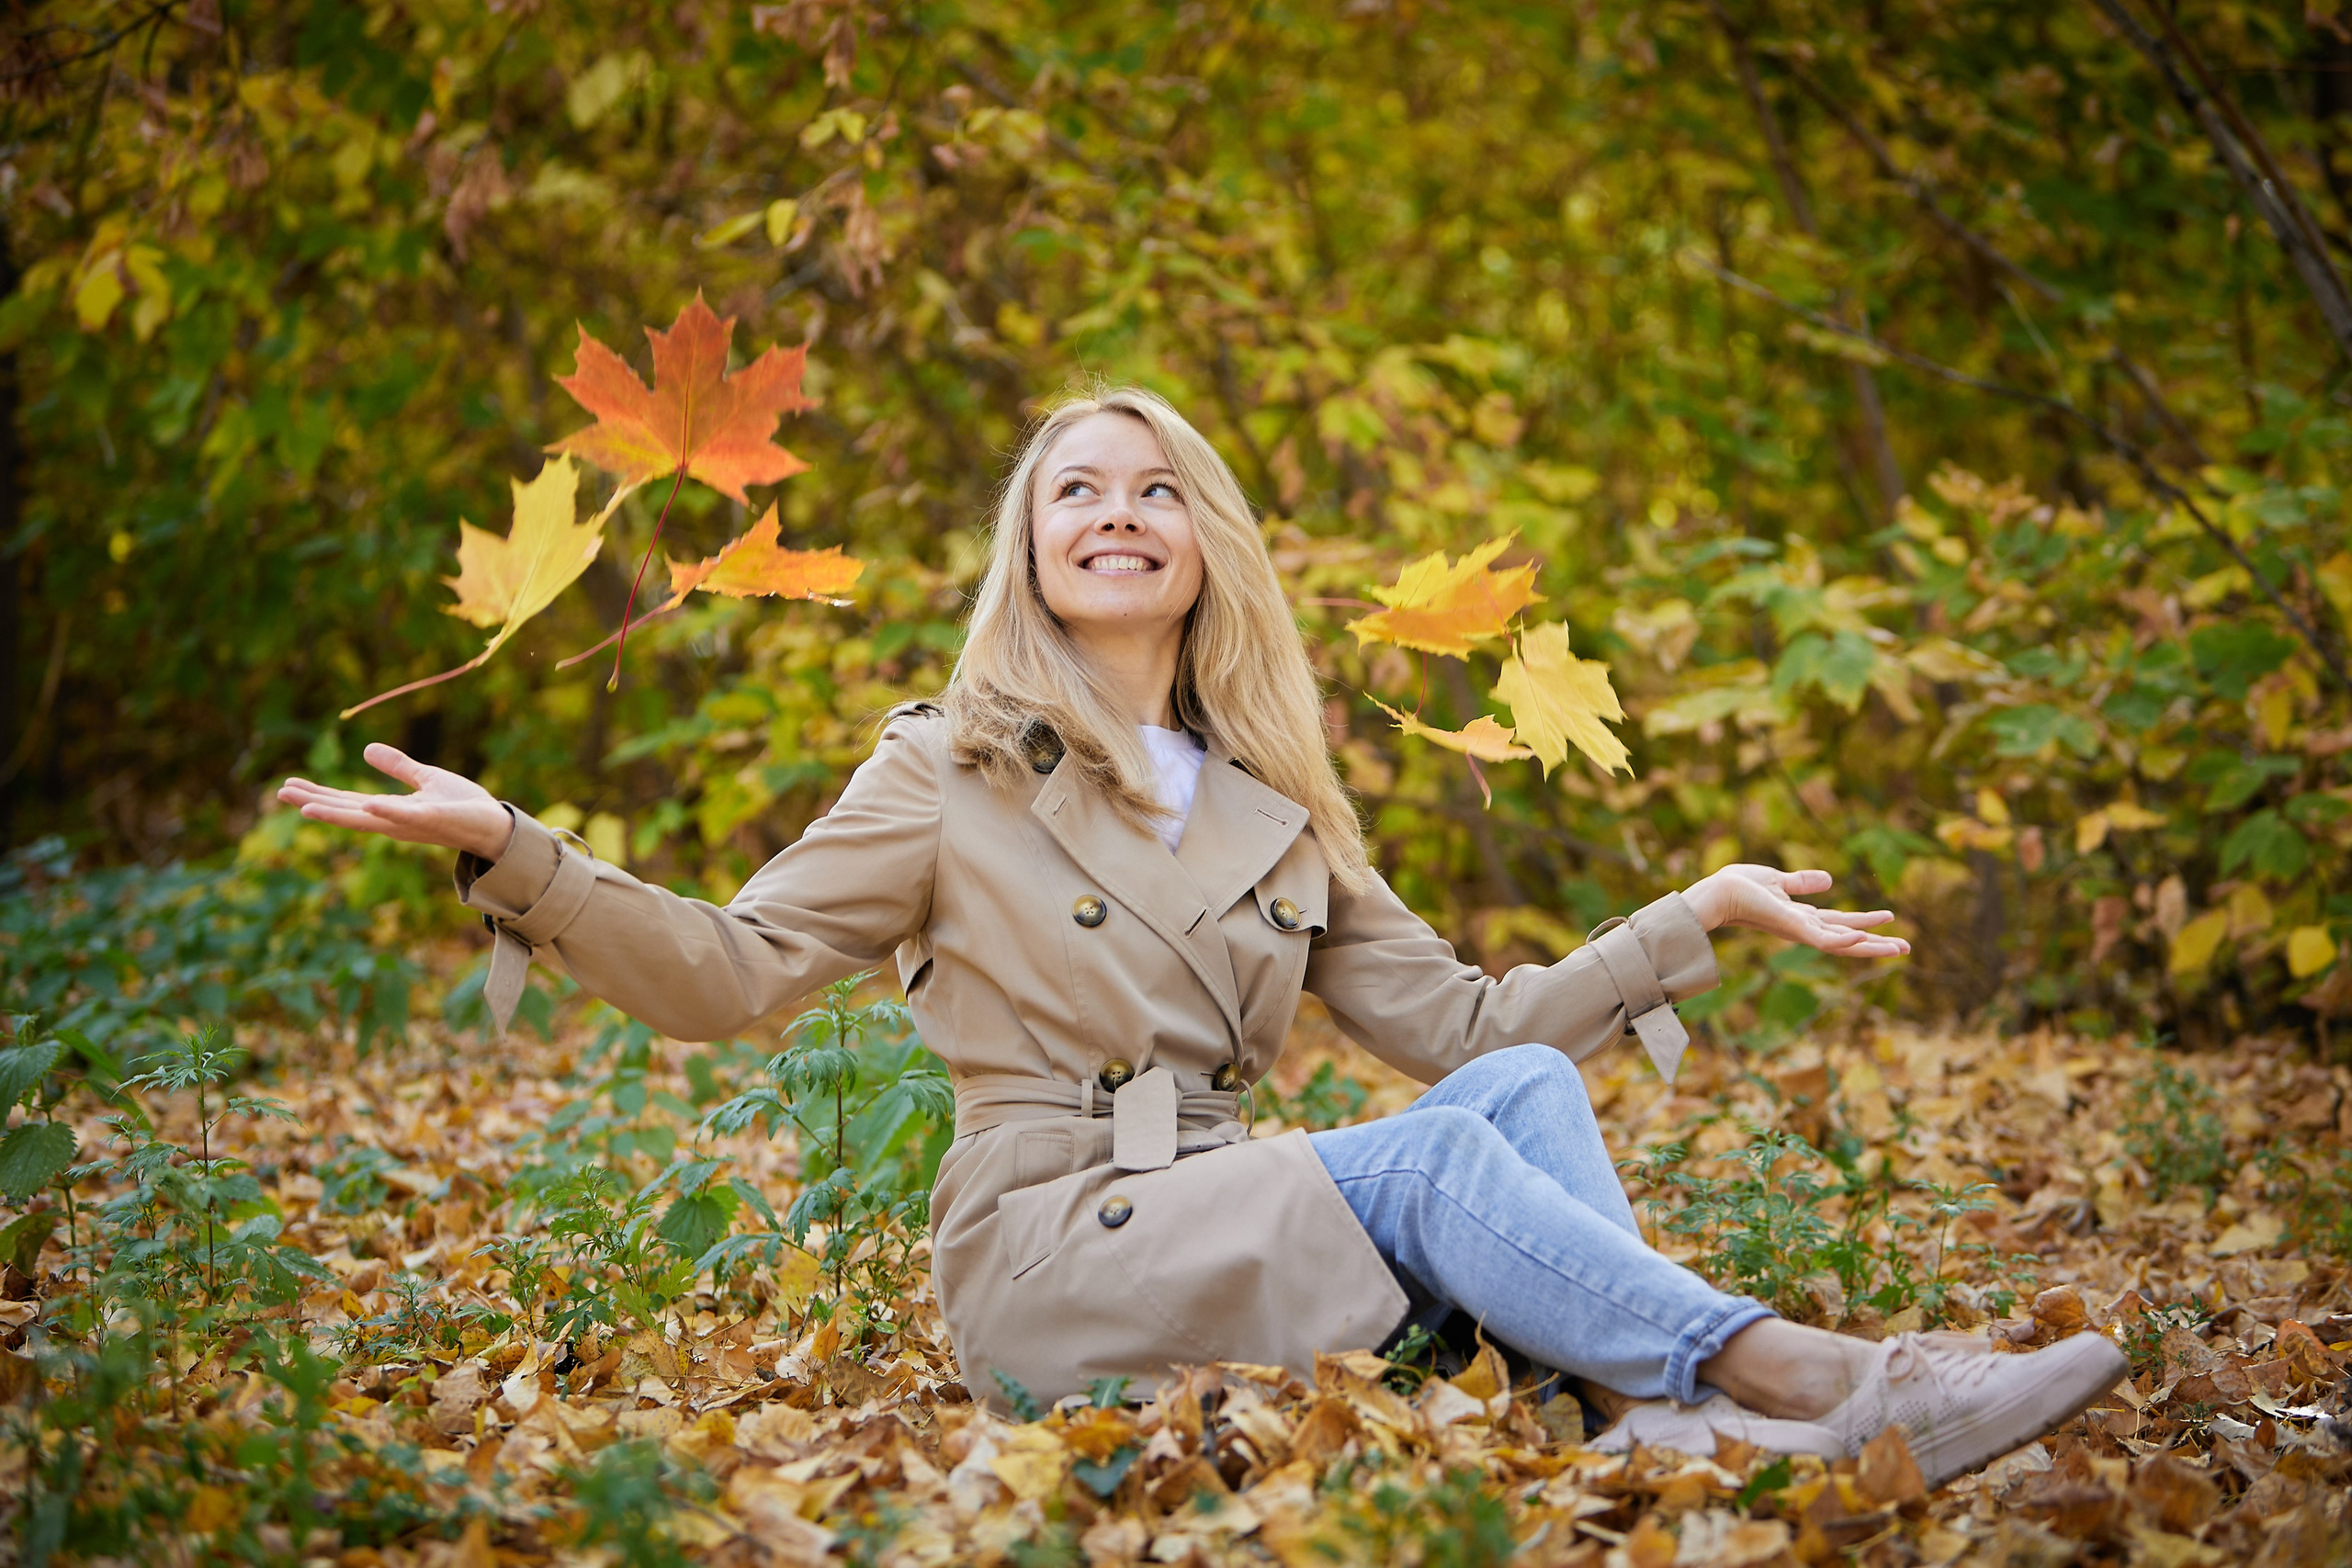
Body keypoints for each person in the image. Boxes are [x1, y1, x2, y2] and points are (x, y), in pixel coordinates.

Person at [279, 385, 2123, 1486]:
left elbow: (1461, 1016)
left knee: (1503, 1075)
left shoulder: (1278, 802)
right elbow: (728, 973)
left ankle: (1634, 1414)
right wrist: (514, 846)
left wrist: (1689, 913)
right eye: (1072, 486)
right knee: (1410, 1157)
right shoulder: (943, 773)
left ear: (1204, 546)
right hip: (1053, 1250)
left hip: (1234, 1222)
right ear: (1026, 552)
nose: (1114, 509)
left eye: (1154, 484)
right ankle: (1812, 1378)